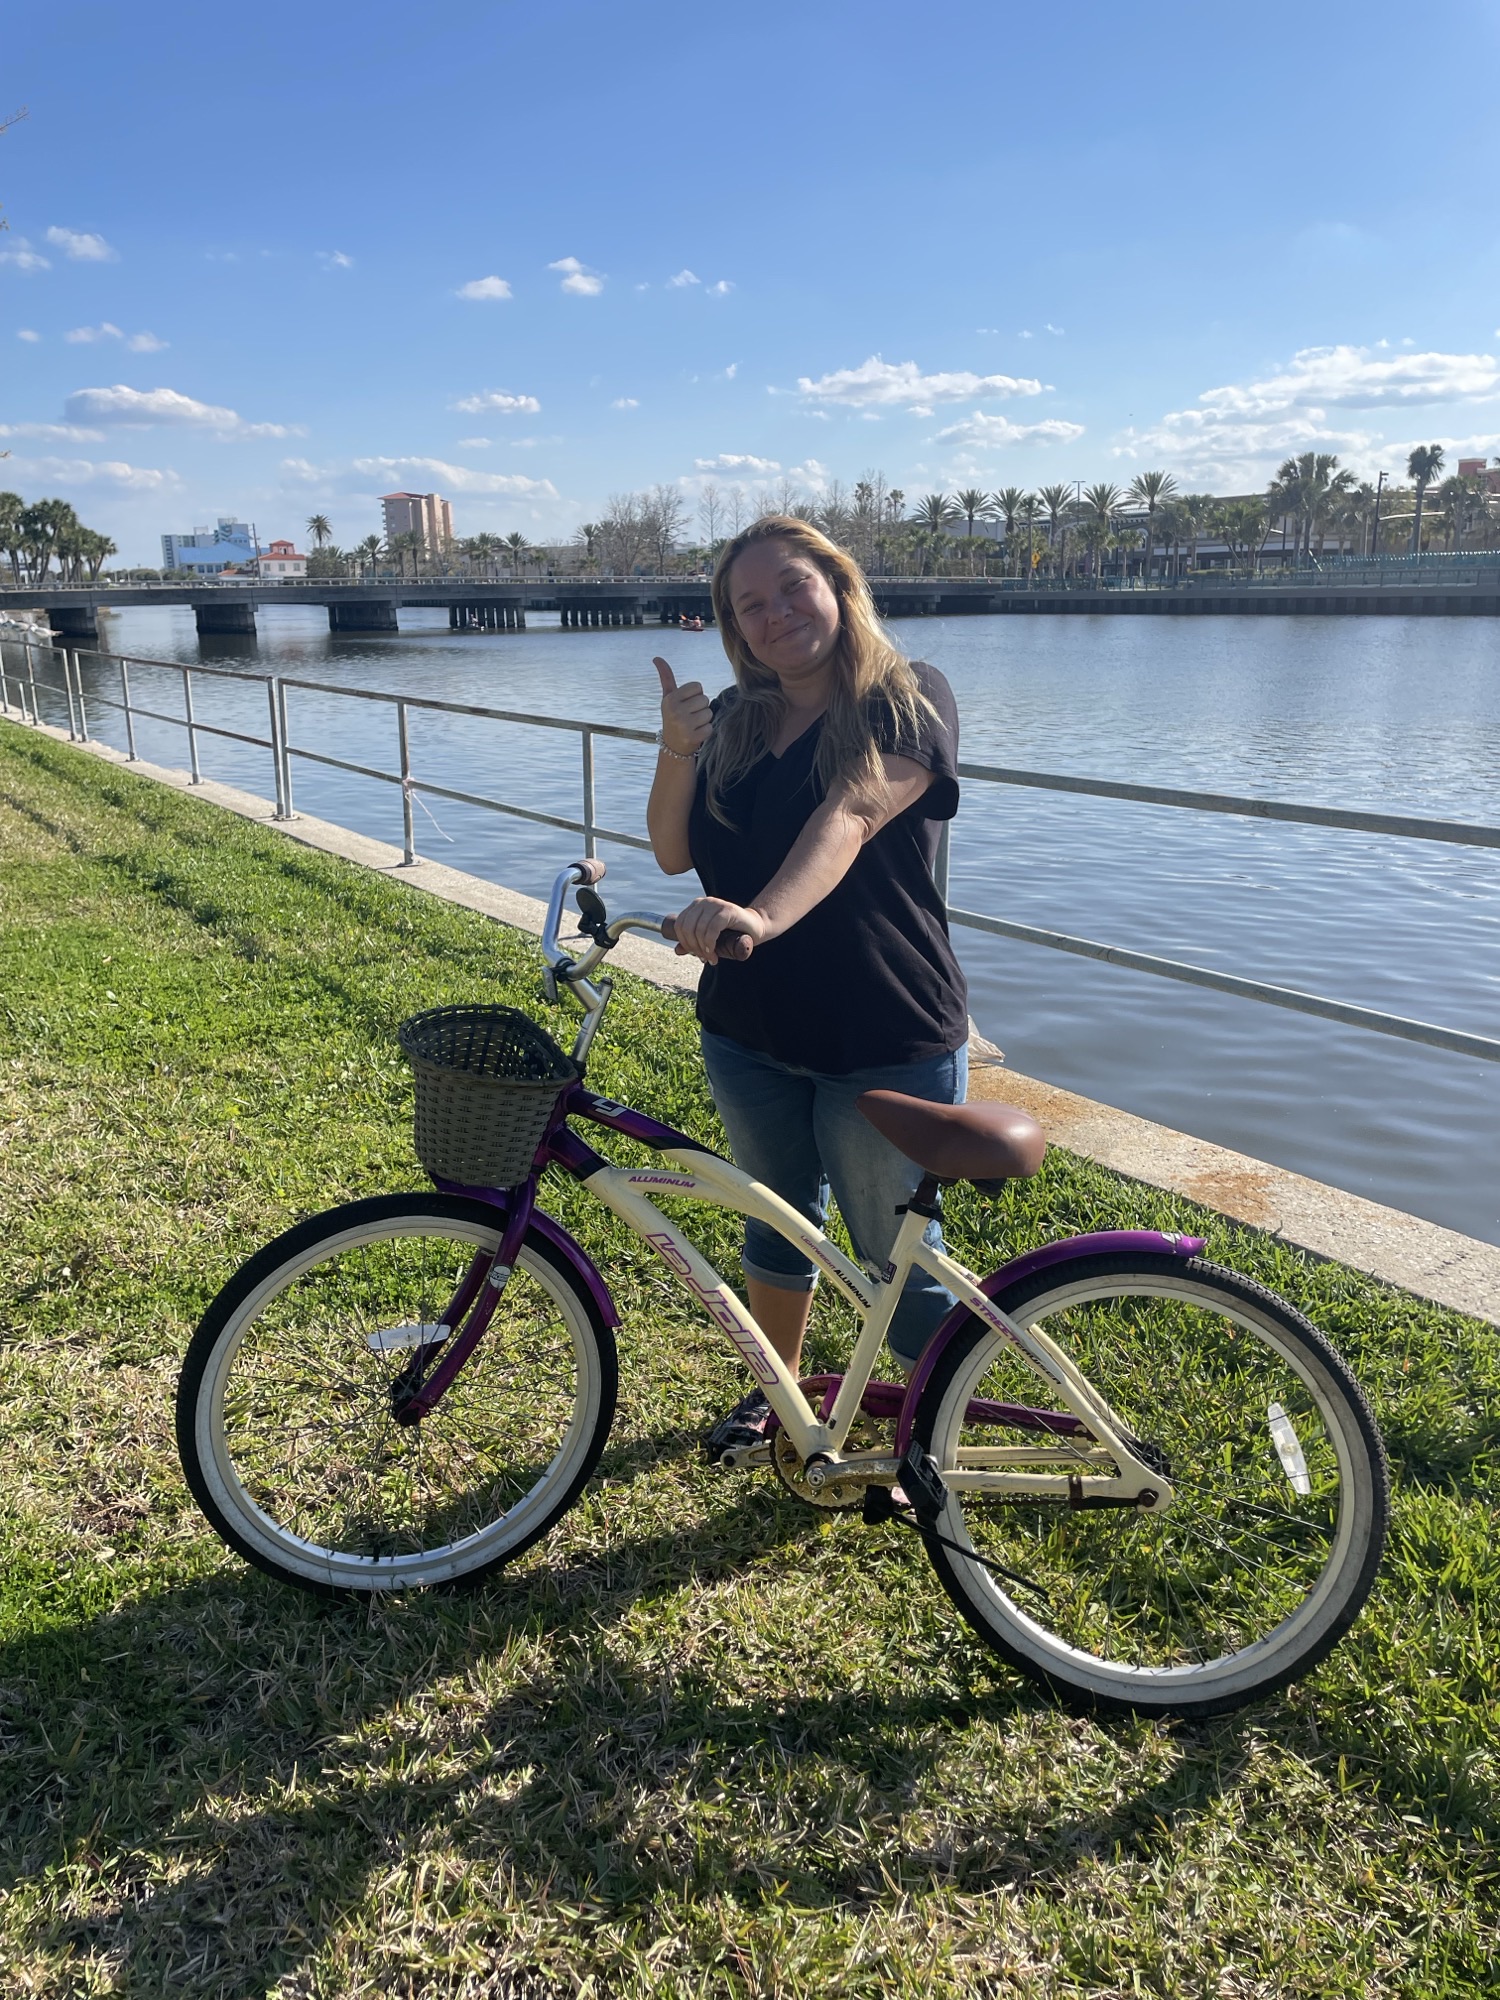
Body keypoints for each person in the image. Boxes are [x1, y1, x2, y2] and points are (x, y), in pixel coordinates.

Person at [646, 514, 972, 1461]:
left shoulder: (911, 698)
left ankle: (931, 1430)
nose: (778, 613)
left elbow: (855, 810)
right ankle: (776, 1396)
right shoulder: (740, 726)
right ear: (734, 631)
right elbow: (673, 853)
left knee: (894, 1258)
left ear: (837, 585)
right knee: (775, 1222)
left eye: (793, 585)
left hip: (883, 1033)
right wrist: (676, 746)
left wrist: (763, 918)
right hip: (748, 1028)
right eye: (751, 605)